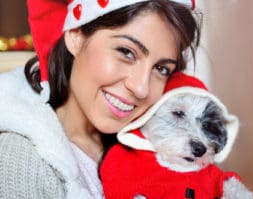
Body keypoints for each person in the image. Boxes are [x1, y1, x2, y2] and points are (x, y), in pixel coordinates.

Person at [0, 0, 200, 198]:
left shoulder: (160, 150)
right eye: (126, 52)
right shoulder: (21, 159)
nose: (141, 88)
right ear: (75, 35)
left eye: (161, 69)